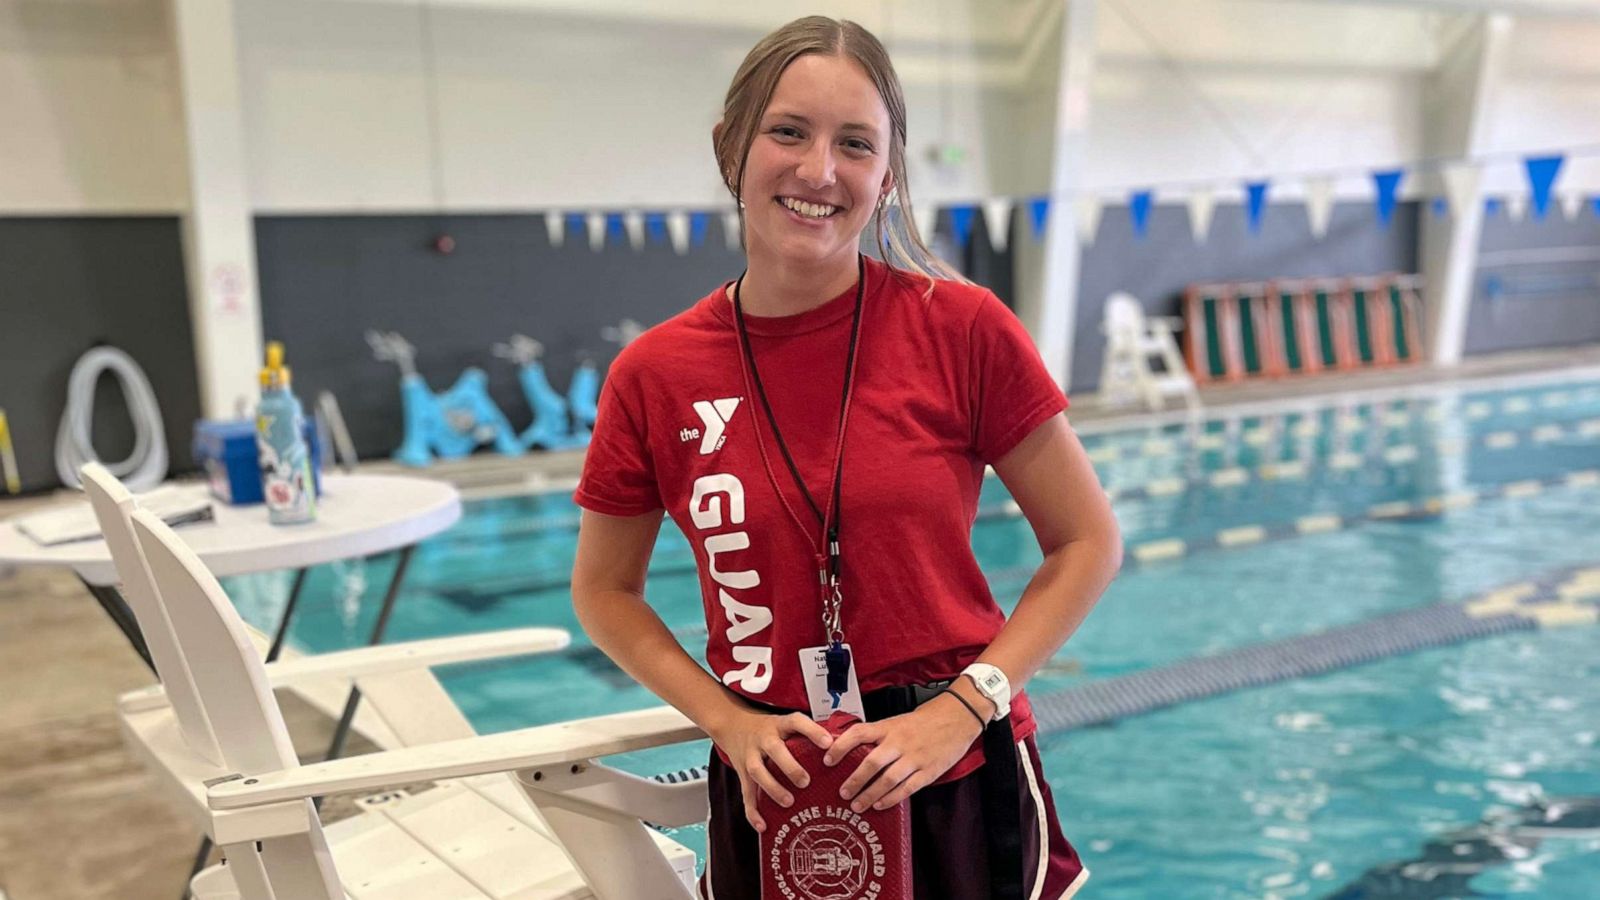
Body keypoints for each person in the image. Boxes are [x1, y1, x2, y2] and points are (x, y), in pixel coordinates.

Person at [571, 15, 1120, 899]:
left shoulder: (963, 328)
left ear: (886, 175)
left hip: (955, 769)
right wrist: (725, 722)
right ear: (731, 148)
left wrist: (963, 708)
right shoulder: (655, 375)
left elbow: (1088, 544)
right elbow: (603, 591)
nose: (818, 170)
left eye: (854, 144)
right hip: (773, 780)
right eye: (788, 131)